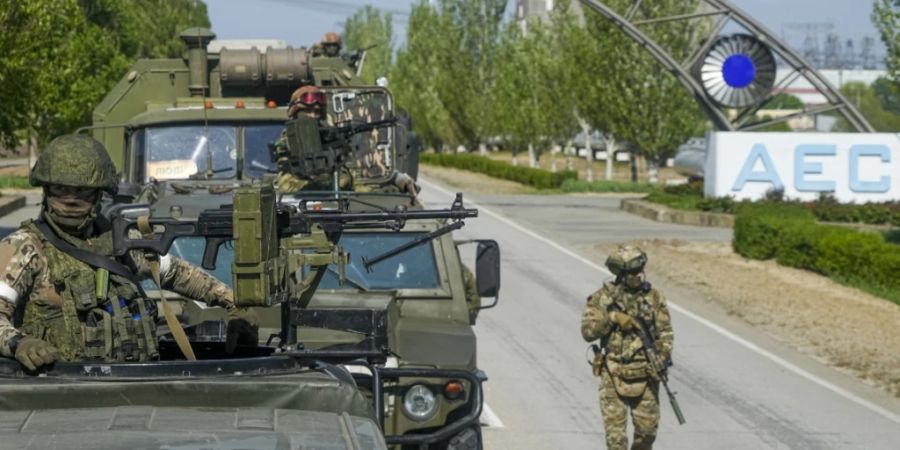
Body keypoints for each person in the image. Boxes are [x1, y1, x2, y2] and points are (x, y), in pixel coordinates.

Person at [0, 134, 258, 370]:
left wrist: (235, 304)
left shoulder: (120, 240)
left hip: (136, 382)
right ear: (45, 190)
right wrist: (20, 344)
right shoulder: (25, 248)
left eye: (82, 190)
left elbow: (178, 273)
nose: (70, 199)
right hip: (63, 388)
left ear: (100, 193)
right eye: (60, 189)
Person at [581, 244, 674, 450]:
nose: (639, 275)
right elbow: (588, 332)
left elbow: (666, 333)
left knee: (647, 433)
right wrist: (612, 318)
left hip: (645, 374)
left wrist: (662, 355)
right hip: (613, 374)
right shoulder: (601, 299)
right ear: (621, 273)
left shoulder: (654, 298)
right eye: (633, 271)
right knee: (616, 441)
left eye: (640, 270)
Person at [274, 84, 418, 196]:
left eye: (317, 112)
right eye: (308, 111)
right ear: (296, 112)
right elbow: (294, 159)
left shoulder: (325, 134)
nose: (313, 116)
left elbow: (346, 176)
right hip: (297, 192)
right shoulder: (290, 136)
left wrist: (388, 184)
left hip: (332, 193)